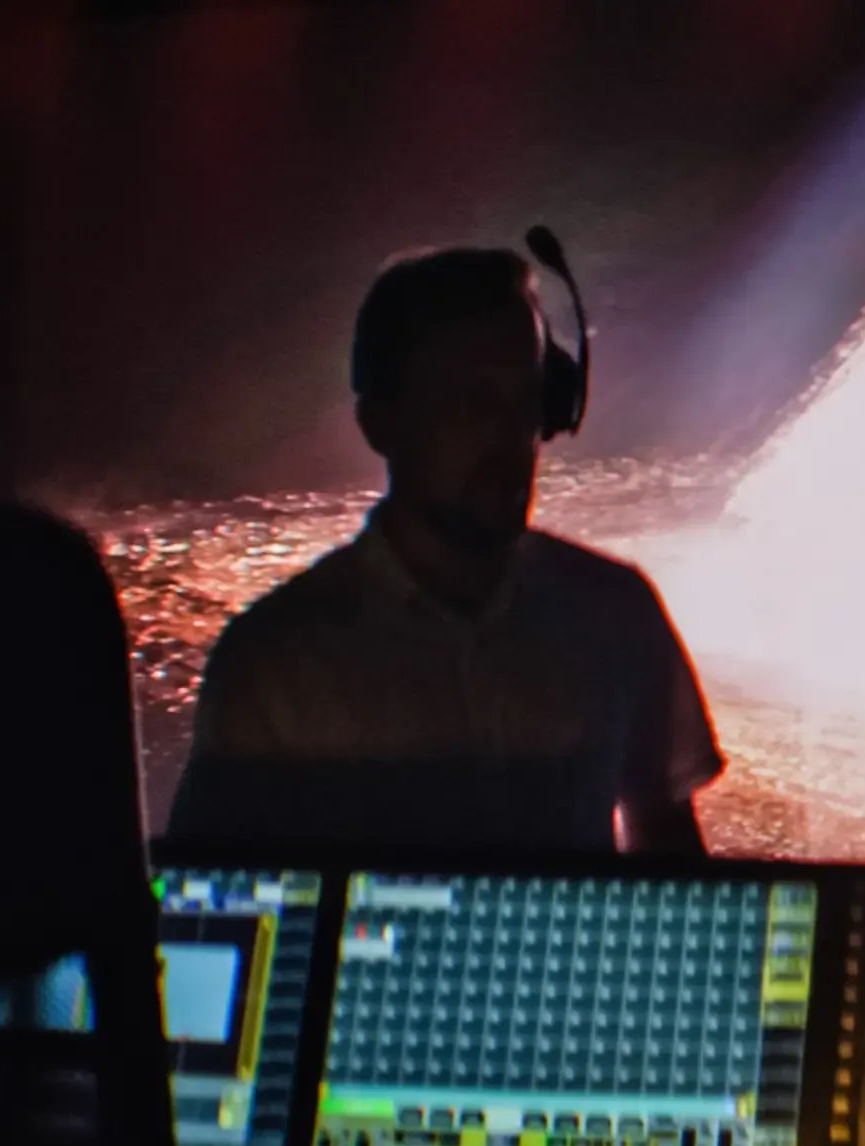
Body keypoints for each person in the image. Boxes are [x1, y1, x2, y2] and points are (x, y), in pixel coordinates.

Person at [168, 247, 722, 856]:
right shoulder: (274, 667)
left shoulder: (618, 615)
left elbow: (671, 866)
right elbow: (213, 912)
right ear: (382, 422)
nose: (509, 438)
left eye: (525, 400)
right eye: (471, 403)